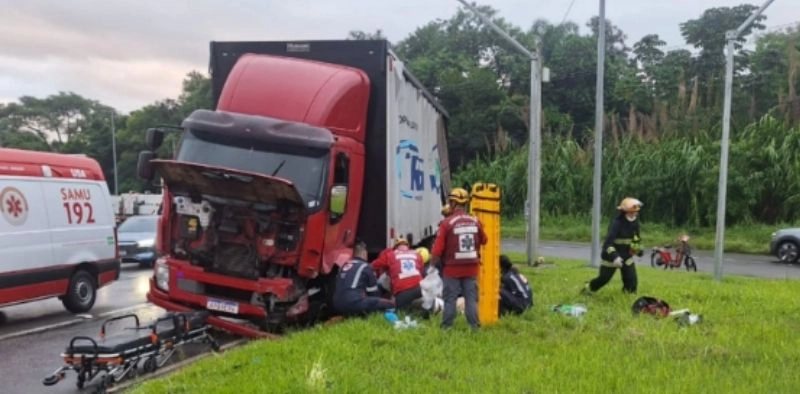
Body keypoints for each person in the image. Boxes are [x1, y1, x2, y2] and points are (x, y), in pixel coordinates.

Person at [430, 188, 487, 330]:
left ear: (453, 203)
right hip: (472, 268)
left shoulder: (446, 223)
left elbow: (437, 250)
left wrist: (432, 266)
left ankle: (447, 327)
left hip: (452, 269)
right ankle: (474, 327)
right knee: (471, 299)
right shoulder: (475, 221)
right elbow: (484, 240)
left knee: (450, 298)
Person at [584, 197, 643, 294]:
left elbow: (636, 238)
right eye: (631, 212)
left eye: (635, 212)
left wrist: (637, 250)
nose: (634, 214)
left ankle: (628, 295)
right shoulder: (616, 223)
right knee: (604, 279)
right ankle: (588, 289)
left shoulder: (635, 223)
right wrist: (615, 257)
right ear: (624, 212)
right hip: (611, 257)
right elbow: (608, 244)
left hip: (626, 256)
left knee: (631, 280)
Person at [333, 241, 396, 316]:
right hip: (353, 302)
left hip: (337, 304)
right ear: (364, 253)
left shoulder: (344, 265)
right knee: (391, 304)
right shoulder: (365, 266)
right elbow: (374, 293)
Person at [371, 237, 426, 311]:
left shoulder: (390, 254)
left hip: (403, 292)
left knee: (400, 312)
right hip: (420, 289)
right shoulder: (417, 254)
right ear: (408, 247)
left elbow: (374, 265)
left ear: (395, 247)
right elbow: (421, 271)